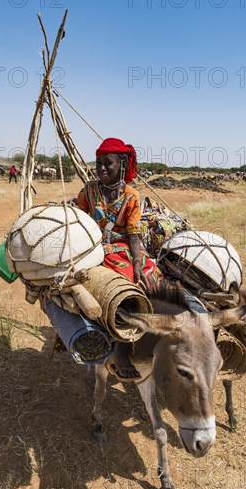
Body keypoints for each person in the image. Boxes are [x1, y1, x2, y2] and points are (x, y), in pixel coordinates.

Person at [77, 137, 164, 380]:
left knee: (150, 277)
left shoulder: (132, 196)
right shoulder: (89, 191)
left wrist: (138, 262)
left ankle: (146, 336)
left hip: (125, 247)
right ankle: (120, 345)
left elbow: (134, 234)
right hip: (93, 247)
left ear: (122, 166)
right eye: (99, 163)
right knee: (121, 285)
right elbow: (80, 222)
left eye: (108, 163)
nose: (102, 168)